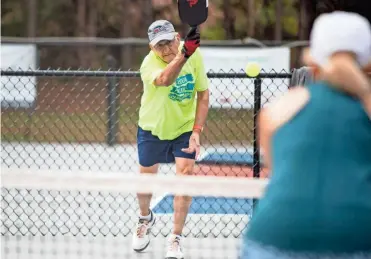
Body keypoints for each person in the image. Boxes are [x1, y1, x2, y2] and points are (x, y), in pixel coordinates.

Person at [242, 11, 371, 259]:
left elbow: (281, 173)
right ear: (367, 63)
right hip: (357, 239)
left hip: (270, 238)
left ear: (311, 61)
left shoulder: (277, 112)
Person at [132, 20, 209, 259]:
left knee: (185, 180)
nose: (165, 50)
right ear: (151, 48)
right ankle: (145, 217)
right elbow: (166, 79)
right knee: (145, 183)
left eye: (169, 42)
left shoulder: (194, 55)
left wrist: (196, 131)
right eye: (159, 46)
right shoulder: (148, 64)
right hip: (152, 129)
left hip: (184, 130)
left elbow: (203, 94)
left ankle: (175, 236)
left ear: (178, 37)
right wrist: (184, 55)